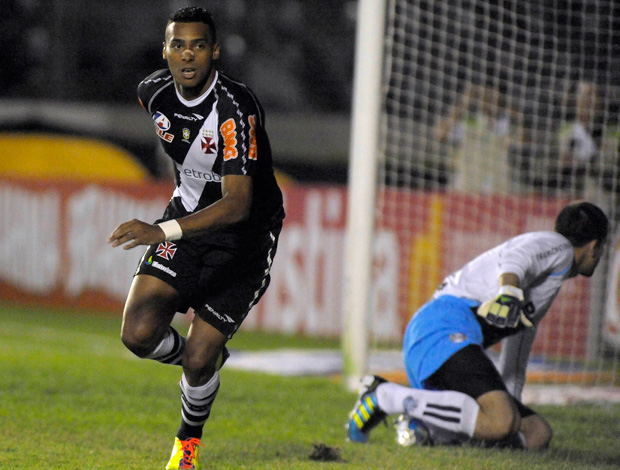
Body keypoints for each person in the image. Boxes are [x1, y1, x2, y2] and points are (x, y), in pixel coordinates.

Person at [107, 7, 285, 469]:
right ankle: (201, 362)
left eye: (199, 45)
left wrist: (159, 230)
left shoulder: (236, 108)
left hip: (244, 239)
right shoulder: (152, 93)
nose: (188, 55)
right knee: (138, 334)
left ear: (215, 51)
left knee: (200, 358)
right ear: (166, 51)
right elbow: (186, 151)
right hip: (186, 222)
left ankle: (187, 444)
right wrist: (176, 212)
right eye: (179, 45)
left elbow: (237, 204)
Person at [347, 201, 608, 450]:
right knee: (500, 420)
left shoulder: (542, 286)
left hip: (443, 341)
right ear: (595, 246)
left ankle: (430, 429)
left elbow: (515, 357)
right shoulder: (559, 248)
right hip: (440, 330)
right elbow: (515, 259)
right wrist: (508, 293)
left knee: (536, 433)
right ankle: (384, 396)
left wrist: (510, 404)